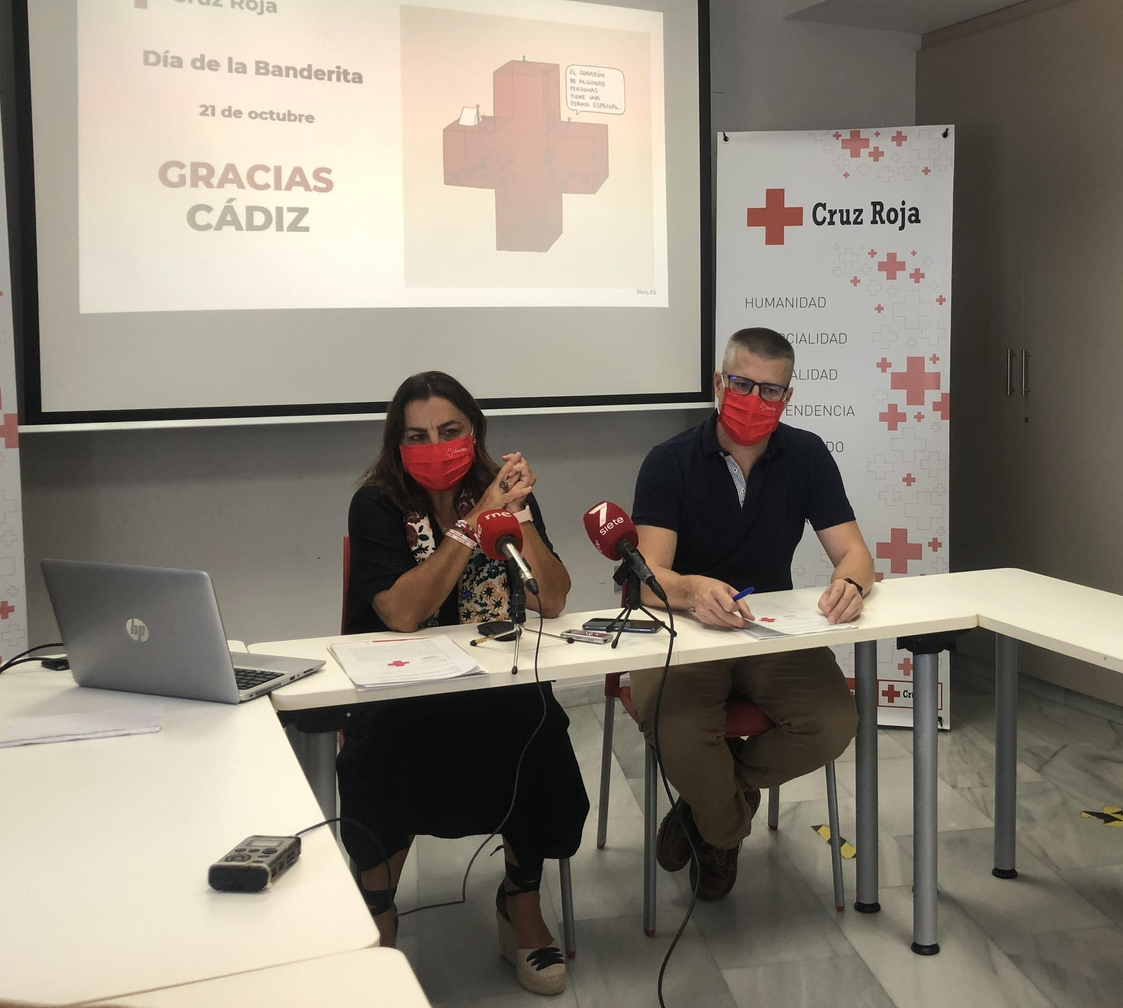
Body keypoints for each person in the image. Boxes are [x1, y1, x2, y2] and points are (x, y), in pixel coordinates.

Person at [340, 371, 587, 996]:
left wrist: (518, 516)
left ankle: (520, 902)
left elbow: (553, 599)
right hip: (402, 693)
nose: (435, 445)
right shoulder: (377, 505)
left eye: (449, 430)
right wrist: (474, 521)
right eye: (417, 435)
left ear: (474, 432)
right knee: (379, 752)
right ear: (397, 443)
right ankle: (378, 911)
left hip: (491, 683)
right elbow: (402, 612)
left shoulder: (501, 493)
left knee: (538, 729)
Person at [629, 327, 874, 899]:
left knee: (833, 722)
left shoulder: (806, 454)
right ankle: (725, 831)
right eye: (742, 384)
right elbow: (648, 579)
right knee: (678, 732)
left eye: (770, 390)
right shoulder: (669, 461)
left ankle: (706, 806)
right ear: (719, 382)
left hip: (768, 632)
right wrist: (694, 590)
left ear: (788, 397)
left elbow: (855, 554)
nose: (754, 400)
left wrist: (851, 584)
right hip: (683, 631)